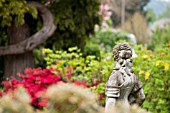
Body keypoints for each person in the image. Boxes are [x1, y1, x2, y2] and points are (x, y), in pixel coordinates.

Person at [105, 43, 145, 112]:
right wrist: (132, 108)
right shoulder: (133, 77)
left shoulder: (115, 76)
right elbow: (141, 97)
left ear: (116, 58)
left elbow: (111, 102)